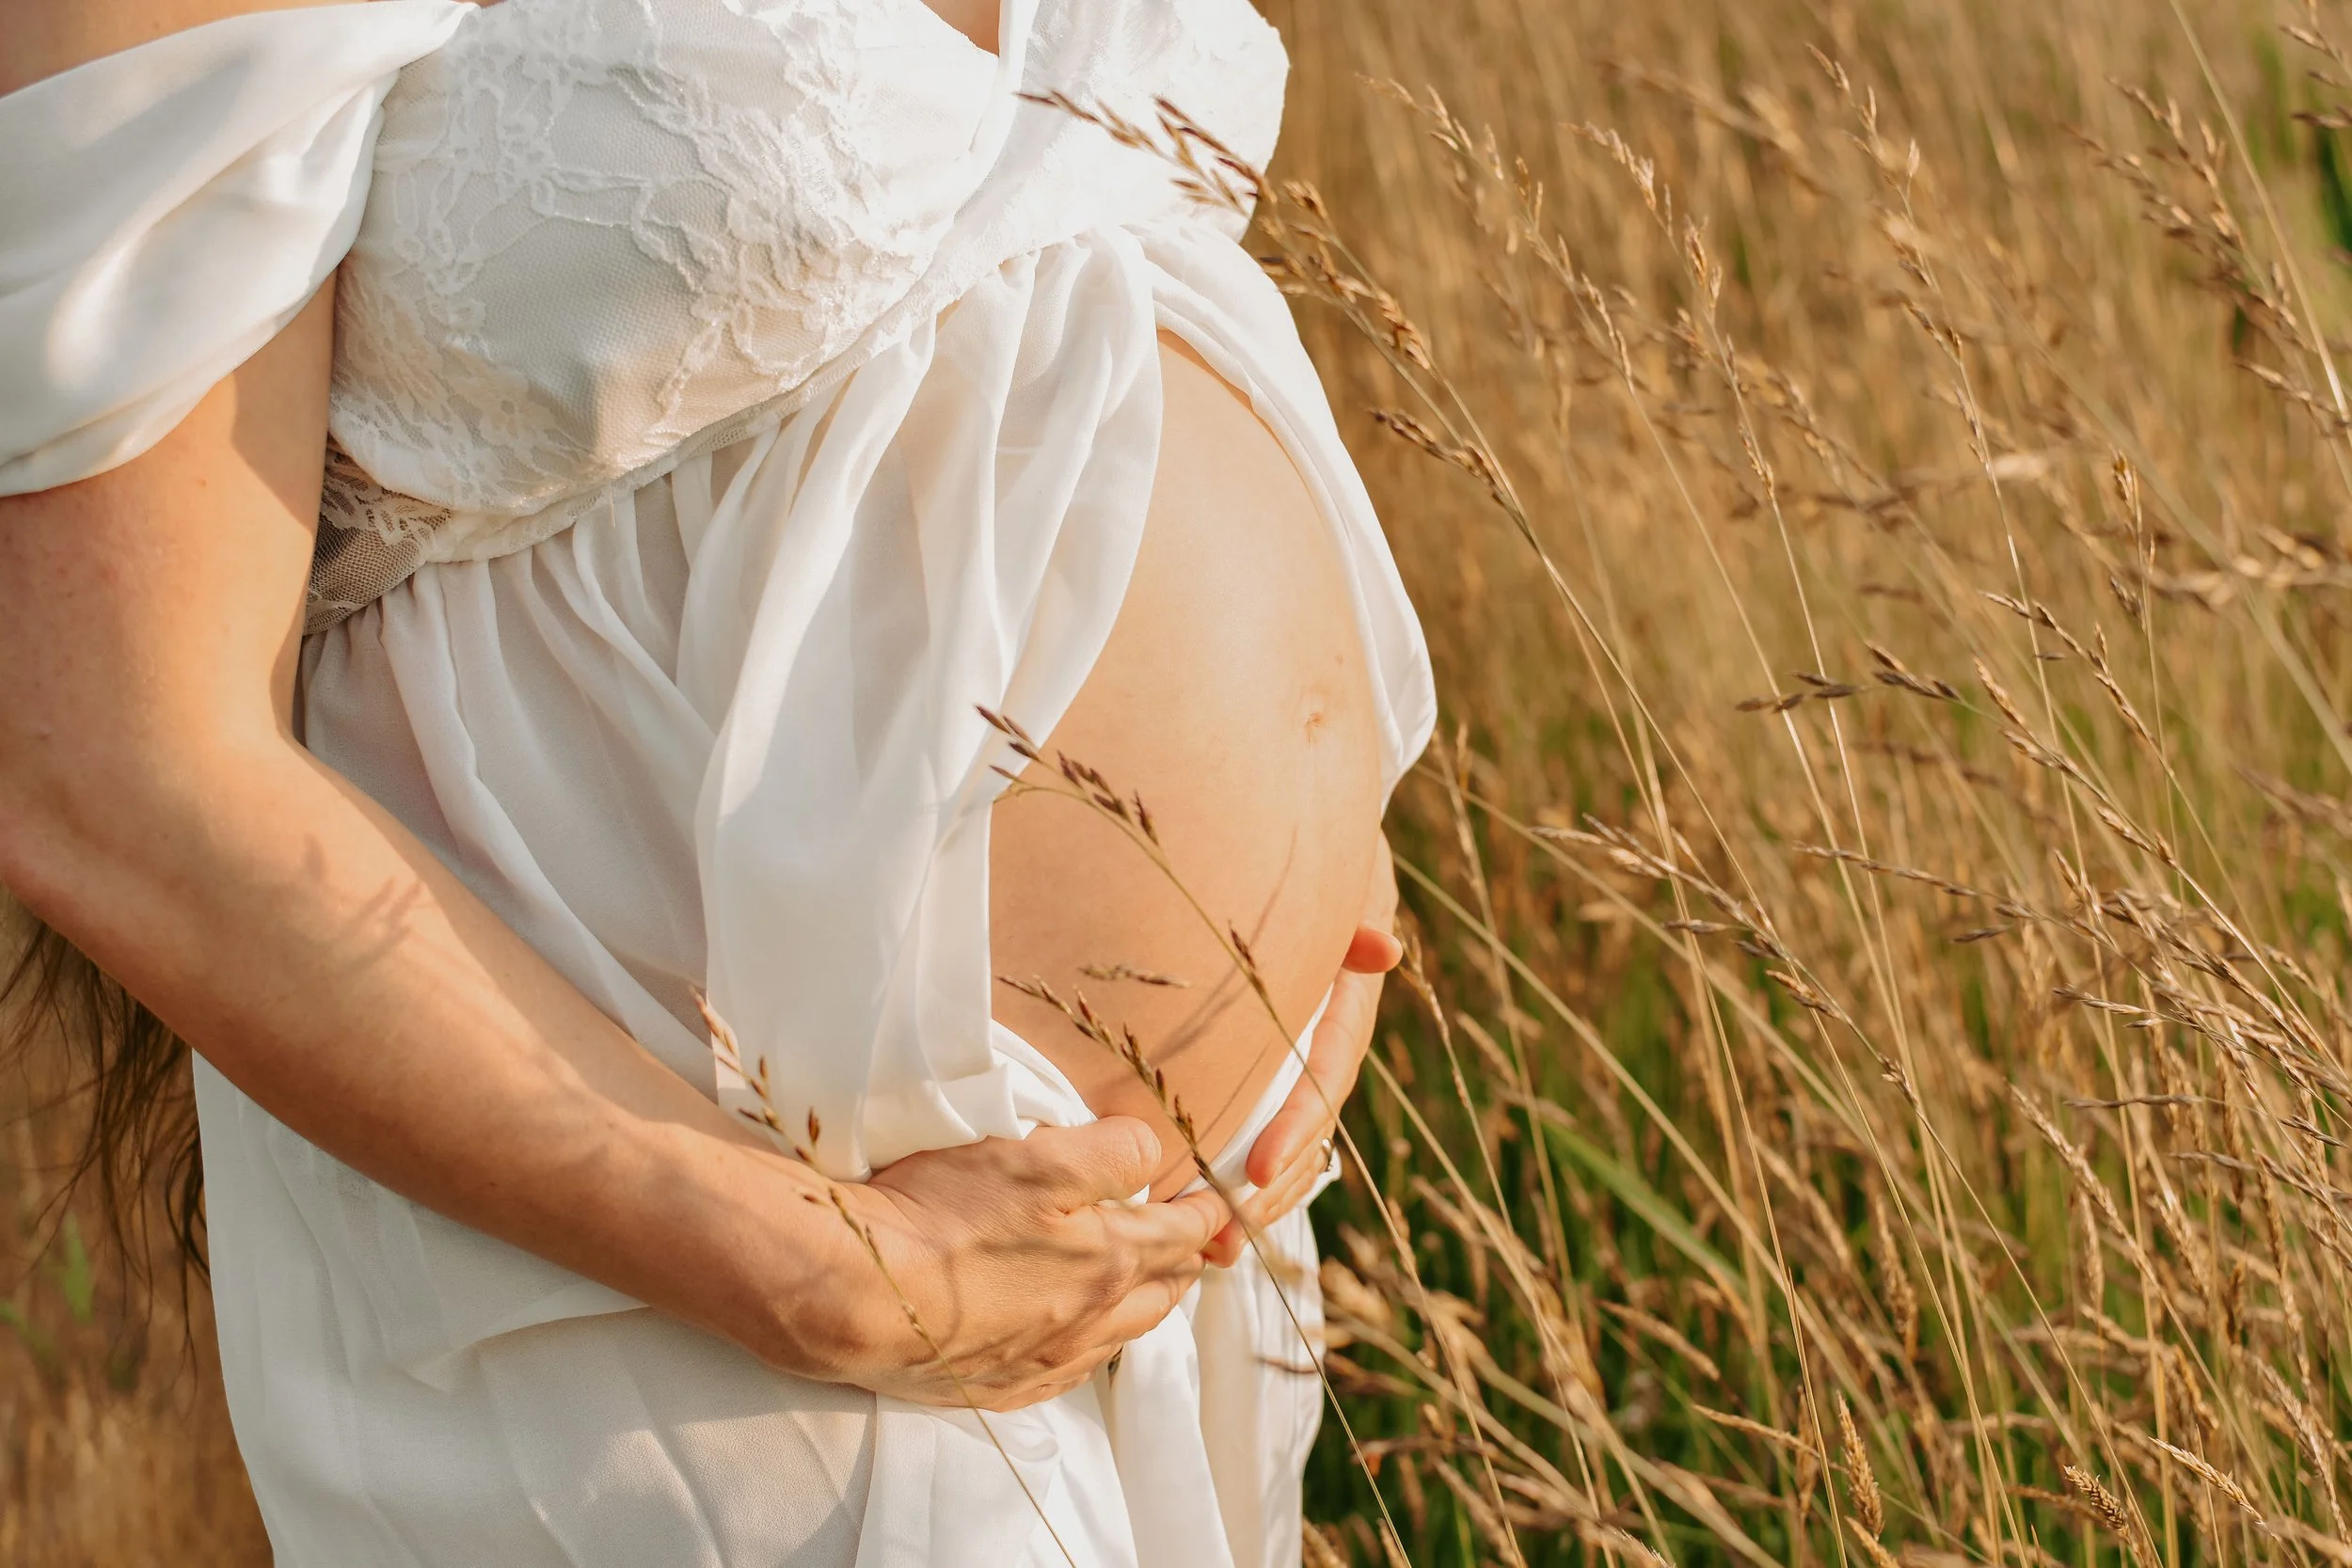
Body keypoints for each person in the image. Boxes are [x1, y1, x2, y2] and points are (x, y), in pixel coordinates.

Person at [0, 0, 1435, 1562]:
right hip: (696, 1270)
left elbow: (1089, 253)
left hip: (1148, 1256)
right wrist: (822, 1273)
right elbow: (113, 768)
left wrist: (1328, 837)